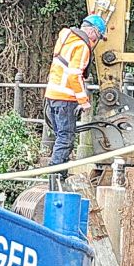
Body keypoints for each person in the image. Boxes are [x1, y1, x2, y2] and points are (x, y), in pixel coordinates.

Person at [44, 14, 107, 167]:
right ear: (92, 31)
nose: (94, 42)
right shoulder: (82, 46)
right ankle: (57, 176)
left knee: (60, 136)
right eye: (97, 37)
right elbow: (74, 75)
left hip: (52, 95)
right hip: (66, 98)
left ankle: (57, 174)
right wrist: (84, 101)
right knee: (65, 138)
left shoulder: (66, 39)